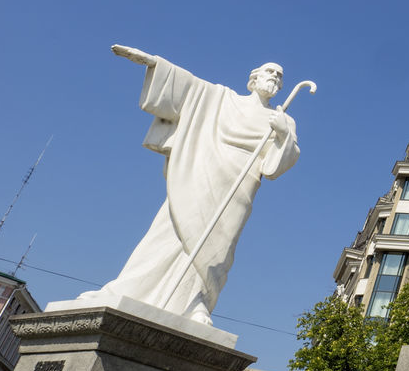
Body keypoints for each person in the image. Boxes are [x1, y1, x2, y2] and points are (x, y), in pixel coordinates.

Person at [76, 46, 300, 325]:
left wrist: (281, 134)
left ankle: (197, 304)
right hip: (201, 171)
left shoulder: (283, 120)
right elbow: (191, 88)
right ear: (253, 79)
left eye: (280, 76)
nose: (276, 77)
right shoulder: (223, 98)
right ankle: (126, 289)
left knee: (219, 245)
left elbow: (276, 165)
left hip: (240, 184)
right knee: (169, 232)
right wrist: (155, 64)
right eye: (270, 71)